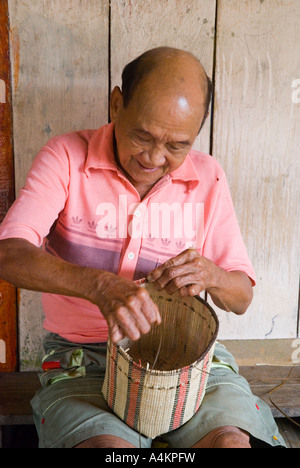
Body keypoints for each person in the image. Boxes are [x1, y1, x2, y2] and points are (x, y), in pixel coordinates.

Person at [0, 47, 285, 448]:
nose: (154, 157)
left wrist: (212, 275)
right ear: (117, 104)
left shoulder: (209, 178)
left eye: (176, 146)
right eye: (142, 136)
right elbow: (9, 253)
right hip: (85, 360)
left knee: (230, 444)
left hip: (187, 359)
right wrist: (101, 287)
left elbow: (241, 298)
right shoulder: (65, 157)